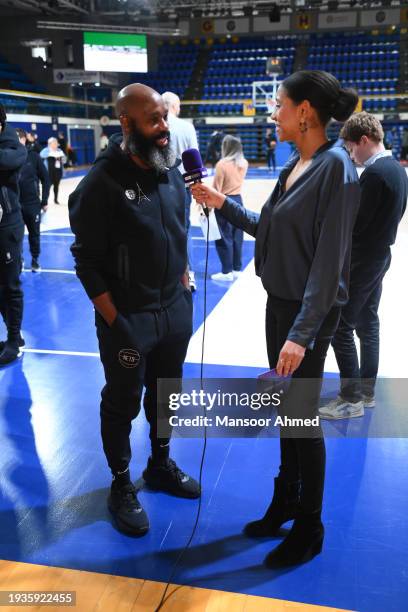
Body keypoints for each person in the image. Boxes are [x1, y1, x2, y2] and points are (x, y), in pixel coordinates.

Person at [191, 71, 360, 568]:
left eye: (280, 105)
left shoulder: (336, 170)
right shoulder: (296, 163)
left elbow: (329, 265)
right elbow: (271, 228)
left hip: (309, 313)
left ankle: (311, 526)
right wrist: (224, 205)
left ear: (305, 111)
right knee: (286, 412)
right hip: (281, 304)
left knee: (301, 419)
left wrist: (301, 336)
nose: (273, 113)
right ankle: (286, 499)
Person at [69, 83, 200, 537]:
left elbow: (177, 232)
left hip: (173, 310)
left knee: (167, 396)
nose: (164, 128)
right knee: (122, 402)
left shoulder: (168, 171)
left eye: (164, 118)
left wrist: (183, 283)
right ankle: (121, 485)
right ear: (127, 123)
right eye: (154, 120)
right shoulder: (100, 185)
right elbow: (85, 261)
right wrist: (115, 321)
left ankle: (160, 464)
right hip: (128, 319)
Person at [320, 112, 407, 419]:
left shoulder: (374, 174)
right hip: (380, 255)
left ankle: (351, 398)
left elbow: (356, 224)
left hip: (363, 259)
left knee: (341, 325)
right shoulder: (397, 169)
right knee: (368, 321)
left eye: (352, 148)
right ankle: (366, 391)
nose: (351, 155)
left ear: (365, 140)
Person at [162, 91, 199, 292]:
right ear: (175, 106)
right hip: (183, 188)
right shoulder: (186, 127)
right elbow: (193, 159)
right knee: (184, 231)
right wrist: (197, 186)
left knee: (160, 229)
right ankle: (188, 275)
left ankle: (165, 276)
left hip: (158, 187)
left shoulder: (154, 125)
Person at [0, 103, 27, 365]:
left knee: (11, 286)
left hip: (7, 228)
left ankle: (15, 339)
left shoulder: (13, 148)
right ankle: (12, 335)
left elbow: (11, 158)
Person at [211, 135, 248, 281]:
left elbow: (216, 189)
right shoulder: (244, 163)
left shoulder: (222, 164)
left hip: (224, 200)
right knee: (237, 236)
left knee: (223, 237)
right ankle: (236, 269)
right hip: (238, 200)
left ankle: (226, 272)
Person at [16, 128, 50, 273]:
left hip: (32, 204)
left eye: (16, 138)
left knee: (34, 234)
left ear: (23, 139)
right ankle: (19, 260)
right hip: (14, 205)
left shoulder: (34, 157)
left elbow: (46, 179)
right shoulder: (8, 157)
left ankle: (35, 260)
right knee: (15, 236)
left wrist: (44, 200)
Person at [40, 137, 66, 204]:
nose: (56, 144)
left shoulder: (59, 150)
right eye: (54, 143)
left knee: (56, 186)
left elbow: (64, 160)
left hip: (58, 171)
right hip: (49, 171)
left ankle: (56, 199)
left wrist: (62, 158)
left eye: (56, 143)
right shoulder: (46, 150)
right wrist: (50, 154)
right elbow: (41, 155)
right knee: (48, 186)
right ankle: (45, 200)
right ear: (50, 144)